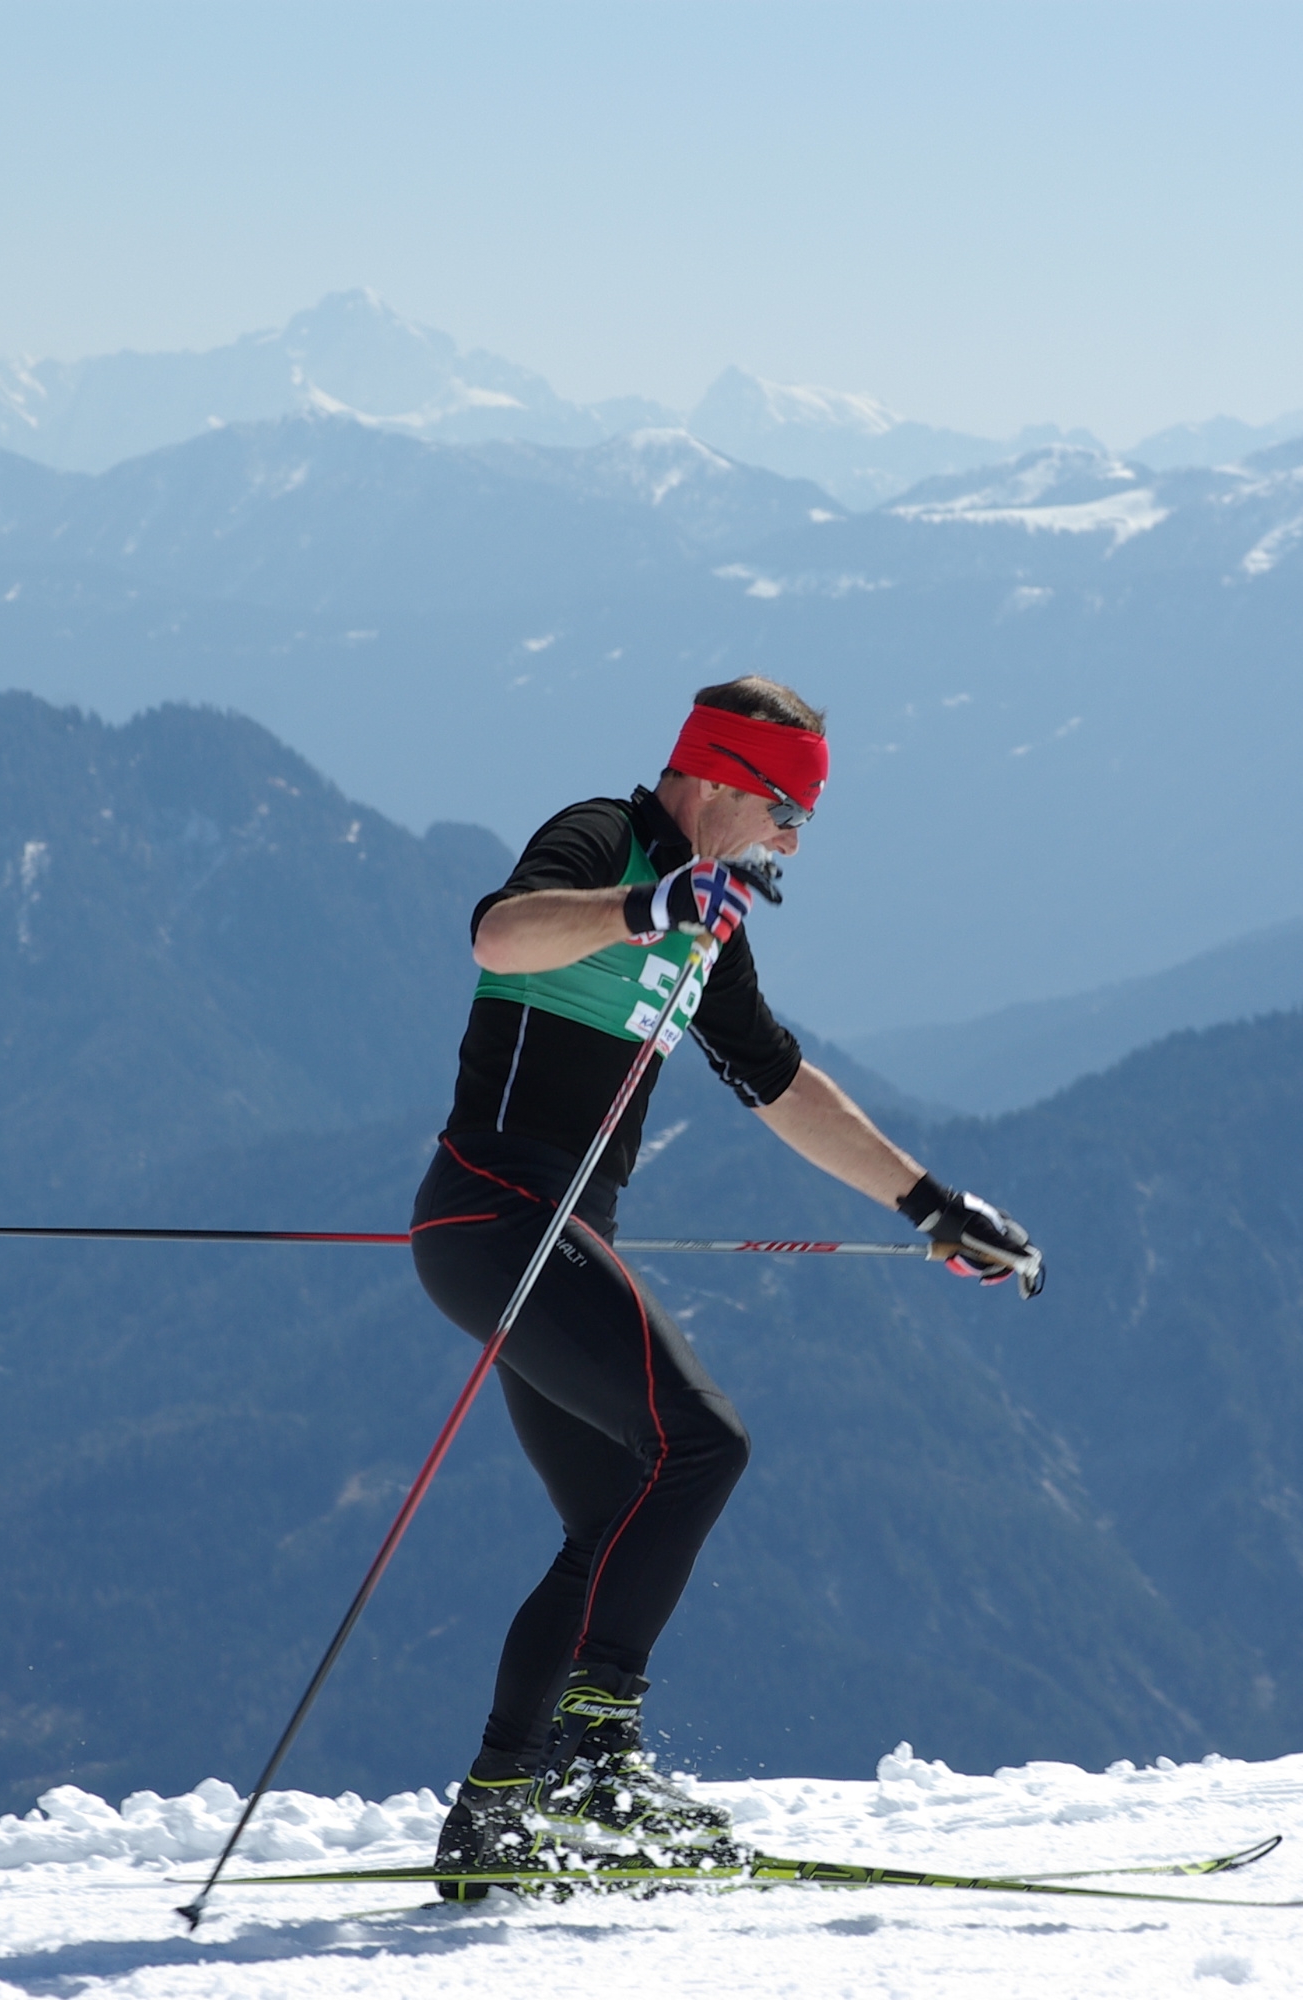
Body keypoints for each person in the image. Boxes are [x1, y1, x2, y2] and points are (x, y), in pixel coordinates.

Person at [408, 675, 1043, 1895]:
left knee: (610, 1512)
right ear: (713, 776)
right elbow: (499, 933)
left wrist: (931, 1204)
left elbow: (781, 1083)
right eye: (782, 812)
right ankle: (596, 1754)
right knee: (701, 1443)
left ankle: (493, 1809)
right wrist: (643, 903)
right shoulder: (609, 842)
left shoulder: (711, 922)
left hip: (540, 1229)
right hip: (500, 1209)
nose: (789, 843)